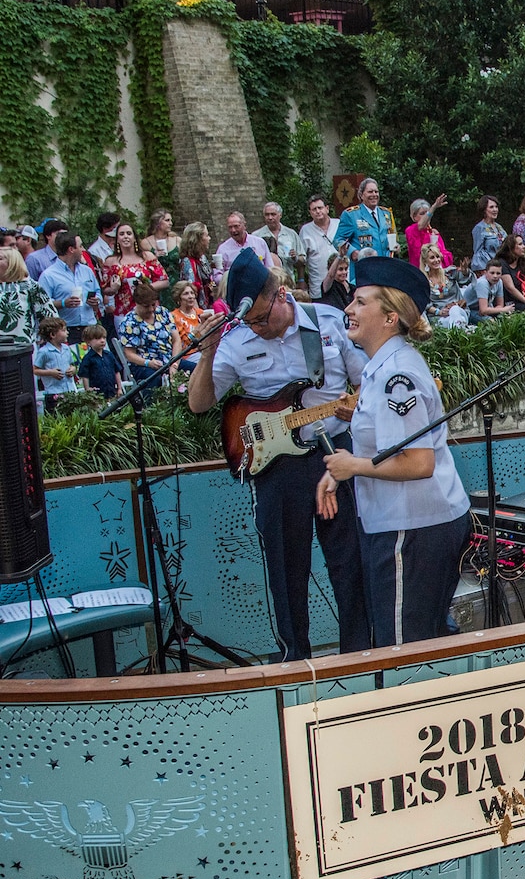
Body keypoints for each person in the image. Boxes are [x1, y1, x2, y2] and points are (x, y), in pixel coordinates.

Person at [187, 250, 370, 661]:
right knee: (286, 570)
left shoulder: (327, 322)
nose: (257, 329)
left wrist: (356, 405)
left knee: (349, 558)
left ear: (282, 296)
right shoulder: (235, 341)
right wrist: (208, 352)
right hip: (276, 465)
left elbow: (366, 384)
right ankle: (295, 658)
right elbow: (199, 403)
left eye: (261, 320)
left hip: (333, 452)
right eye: (250, 323)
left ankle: (359, 654)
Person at [317, 259, 470, 646]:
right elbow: (386, 439)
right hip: (403, 524)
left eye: (360, 302)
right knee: (414, 641)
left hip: (411, 527)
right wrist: (339, 469)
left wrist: (351, 466)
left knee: (402, 648)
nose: (348, 310)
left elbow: (419, 462)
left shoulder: (394, 375)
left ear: (389, 317)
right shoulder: (380, 368)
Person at [38, 230, 103, 344]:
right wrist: (63, 303)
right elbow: (42, 305)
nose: (83, 250)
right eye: (80, 246)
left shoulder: (86, 271)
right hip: (66, 332)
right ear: (71, 249)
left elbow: (98, 292)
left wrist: (96, 300)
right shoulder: (48, 275)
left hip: (90, 329)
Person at [100, 221, 168, 320]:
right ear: (117, 239)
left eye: (129, 233)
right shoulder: (111, 261)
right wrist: (113, 289)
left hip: (148, 310)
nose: (125, 236)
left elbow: (165, 281)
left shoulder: (147, 257)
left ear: (135, 238)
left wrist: (145, 287)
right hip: (123, 312)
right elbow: (104, 289)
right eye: (121, 234)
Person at [118, 280, 181, 381]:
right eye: (146, 306)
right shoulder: (129, 322)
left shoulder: (163, 312)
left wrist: (174, 363)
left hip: (169, 359)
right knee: (155, 379)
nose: (151, 309)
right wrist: (148, 362)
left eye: (153, 305)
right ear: (137, 304)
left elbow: (176, 340)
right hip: (145, 365)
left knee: (196, 370)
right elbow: (129, 354)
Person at [0, 247, 56, 348]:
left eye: (0, 259)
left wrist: (44, 336)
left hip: (23, 347)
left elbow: (49, 315)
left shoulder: (30, 286)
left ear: (12, 263)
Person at [300, 195, 349, 306]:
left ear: (327, 208)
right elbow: (302, 259)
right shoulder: (305, 230)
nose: (318, 211)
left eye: (320, 208)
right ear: (310, 212)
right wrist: (301, 280)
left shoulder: (340, 224)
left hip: (343, 283)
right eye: (314, 209)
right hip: (318, 287)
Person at [255, 202, 309, 281]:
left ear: (280, 215)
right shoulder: (257, 236)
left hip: (288, 280)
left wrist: (296, 258)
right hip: (265, 282)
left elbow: (303, 259)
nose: (270, 217)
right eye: (267, 215)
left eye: (273, 214)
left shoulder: (291, 234)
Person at [216, 210, 273, 281]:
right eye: (230, 227)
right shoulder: (223, 249)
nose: (233, 230)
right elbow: (217, 275)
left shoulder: (259, 243)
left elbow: (270, 268)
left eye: (236, 226)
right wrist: (230, 281)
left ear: (244, 225)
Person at [175, 222, 220, 311]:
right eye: (206, 236)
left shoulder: (202, 257)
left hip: (209, 303)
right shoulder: (188, 262)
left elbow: (207, 278)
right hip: (199, 308)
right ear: (198, 240)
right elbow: (191, 290)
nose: (209, 238)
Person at [421, 245, 468, 328]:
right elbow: (426, 305)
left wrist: (465, 272)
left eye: (437, 256)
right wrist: (439, 312)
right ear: (425, 261)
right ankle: (461, 331)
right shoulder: (424, 282)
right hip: (439, 317)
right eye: (432, 258)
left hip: (459, 311)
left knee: (455, 310)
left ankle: (458, 332)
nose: (436, 260)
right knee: (453, 321)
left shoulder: (450, 273)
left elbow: (466, 280)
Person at [34, 316, 74, 411]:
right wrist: (51, 372)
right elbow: (35, 370)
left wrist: (72, 370)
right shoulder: (44, 351)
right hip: (53, 393)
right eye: (64, 331)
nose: (67, 333)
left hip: (69, 391)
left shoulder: (66, 348)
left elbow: (71, 364)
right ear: (53, 334)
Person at [403, 195, 451, 270]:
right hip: (420, 273)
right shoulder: (411, 230)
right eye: (422, 213)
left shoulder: (434, 232)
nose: (427, 216)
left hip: (437, 274)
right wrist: (434, 207)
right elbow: (421, 225)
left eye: (428, 213)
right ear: (414, 217)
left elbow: (445, 254)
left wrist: (439, 253)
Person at [76, 323, 121, 398]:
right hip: (97, 393)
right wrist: (87, 389)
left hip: (112, 390)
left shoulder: (109, 355)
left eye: (104, 338)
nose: (102, 341)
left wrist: (119, 388)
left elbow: (116, 371)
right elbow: (85, 375)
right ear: (88, 342)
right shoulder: (88, 358)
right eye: (98, 338)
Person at [464, 260, 514, 324]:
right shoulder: (482, 283)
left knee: (507, 320)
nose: (495, 276)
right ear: (485, 273)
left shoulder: (499, 282)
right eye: (492, 273)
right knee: (492, 323)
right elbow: (483, 310)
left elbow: (500, 305)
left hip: (487, 308)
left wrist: (496, 310)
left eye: (498, 273)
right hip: (470, 310)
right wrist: (504, 310)